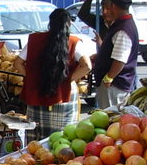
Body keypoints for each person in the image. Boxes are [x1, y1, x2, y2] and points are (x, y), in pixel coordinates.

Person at [13, 8, 92, 140]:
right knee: (63, 137)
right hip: (64, 94)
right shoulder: (74, 42)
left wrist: (32, 77)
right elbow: (87, 66)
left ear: (50, 23)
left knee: (36, 137)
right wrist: (68, 79)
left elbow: (17, 63)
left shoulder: (35, 39)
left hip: (38, 92)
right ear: (69, 23)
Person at [93, 0, 140, 110]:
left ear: (113, 6)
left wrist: (109, 77)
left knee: (111, 115)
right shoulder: (122, 24)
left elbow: (120, 59)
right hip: (114, 84)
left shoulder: (124, 29)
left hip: (115, 86)